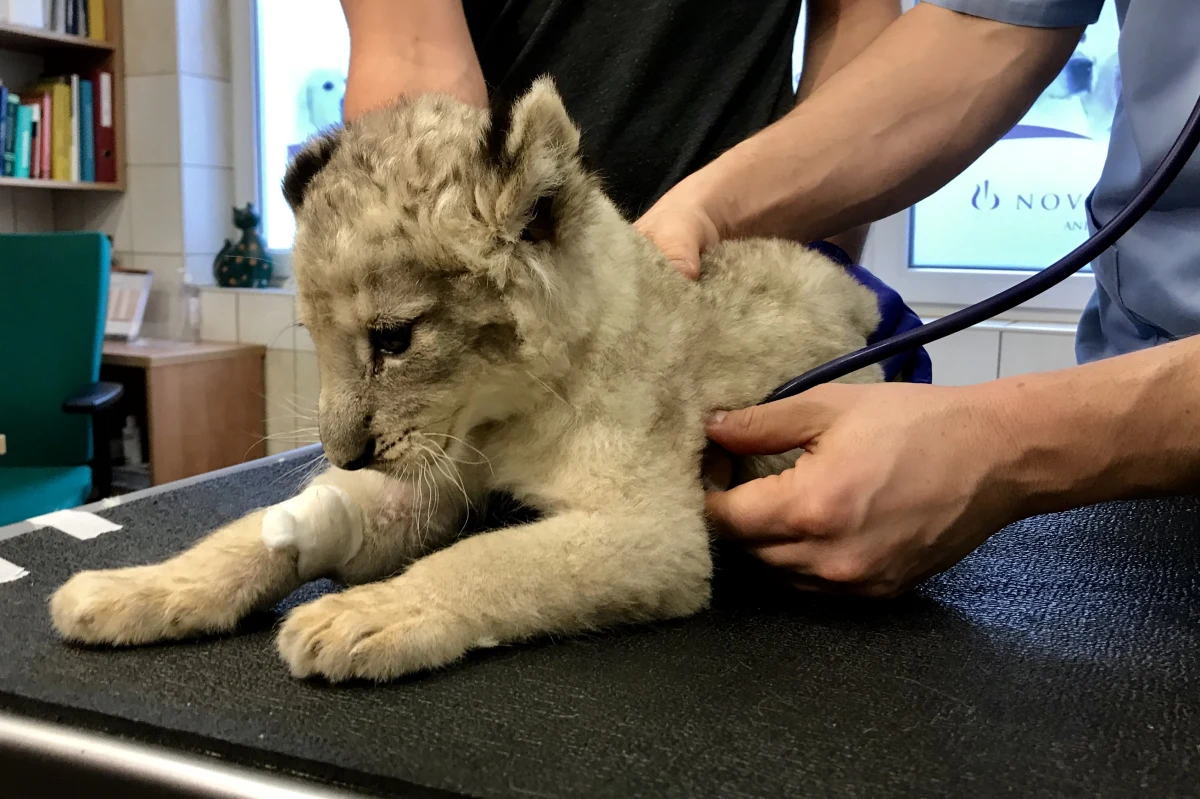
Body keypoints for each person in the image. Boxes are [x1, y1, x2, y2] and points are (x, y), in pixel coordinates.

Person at [339, 1, 1200, 598]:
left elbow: (856, 16)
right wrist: (708, 208)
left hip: (725, 314)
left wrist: (1003, 442)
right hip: (535, 318)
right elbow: (989, 25)